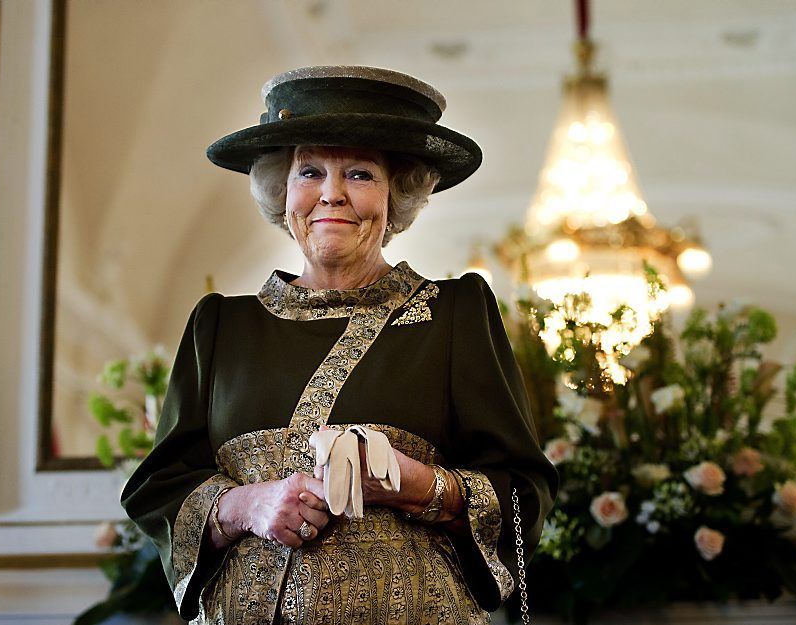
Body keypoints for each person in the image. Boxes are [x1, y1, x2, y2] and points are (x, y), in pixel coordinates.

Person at [121, 65, 559, 625]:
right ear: (283, 193)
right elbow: (160, 487)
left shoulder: (455, 313)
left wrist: (413, 484)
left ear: (395, 194)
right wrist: (247, 505)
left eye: (359, 173)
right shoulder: (220, 325)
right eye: (309, 171)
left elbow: (524, 493)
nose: (332, 194)